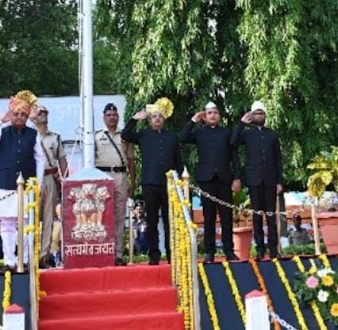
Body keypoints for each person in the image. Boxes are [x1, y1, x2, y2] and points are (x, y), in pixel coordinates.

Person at [0, 90, 44, 269]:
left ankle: (24, 259)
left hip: (27, 186)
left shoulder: (33, 134)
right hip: (4, 183)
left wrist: (38, 184)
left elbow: (39, 159)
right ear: (11, 114)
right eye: (16, 113)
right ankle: (9, 260)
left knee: (26, 223)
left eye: (23, 114)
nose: (20, 117)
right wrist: (2, 119)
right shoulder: (2, 132)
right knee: (7, 224)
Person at [121, 98, 183, 266]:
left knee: (170, 221)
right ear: (149, 119)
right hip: (150, 184)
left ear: (164, 119)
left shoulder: (172, 137)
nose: (157, 119)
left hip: (169, 185)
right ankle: (154, 254)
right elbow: (125, 134)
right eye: (154, 116)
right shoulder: (143, 135)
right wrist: (134, 119)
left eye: (160, 117)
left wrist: (179, 182)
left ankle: (172, 254)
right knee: (152, 221)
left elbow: (179, 161)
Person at [180, 100, 242, 262]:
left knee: (226, 215)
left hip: (224, 179)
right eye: (209, 113)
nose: (212, 115)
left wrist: (237, 178)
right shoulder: (199, 132)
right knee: (209, 216)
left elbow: (234, 157)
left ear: (219, 116)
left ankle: (229, 250)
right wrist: (194, 120)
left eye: (215, 112)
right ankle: (210, 251)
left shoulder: (226, 133)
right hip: (206, 179)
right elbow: (183, 137)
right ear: (205, 116)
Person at [230, 100, 283, 259]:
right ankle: (260, 249)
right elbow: (232, 142)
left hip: (270, 180)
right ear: (252, 116)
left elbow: (278, 159)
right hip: (254, 180)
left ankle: (273, 249)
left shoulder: (272, 134)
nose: (259, 116)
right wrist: (241, 123)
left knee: (271, 215)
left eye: (261, 113)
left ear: (265, 116)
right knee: (257, 215)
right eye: (256, 113)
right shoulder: (246, 133)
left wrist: (279, 181)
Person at [94, 102, 135, 265]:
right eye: (109, 115)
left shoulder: (125, 135)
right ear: (104, 117)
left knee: (119, 215)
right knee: (102, 215)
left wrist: (133, 181)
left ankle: (117, 254)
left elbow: (131, 160)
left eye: (114, 115)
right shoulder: (96, 136)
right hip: (102, 175)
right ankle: (102, 251)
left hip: (120, 175)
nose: (112, 117)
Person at [33, 104, 68, 268]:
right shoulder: (30, 136)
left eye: (45, 113)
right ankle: (29, 255)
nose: (43, 116)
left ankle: (43, 257)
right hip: (32, 181)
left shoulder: (55, 137)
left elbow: (62, 159)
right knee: (31, 219)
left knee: (48, 220)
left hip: (50, 178)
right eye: (40, 113)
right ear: (33, 117)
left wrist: (65, 180)